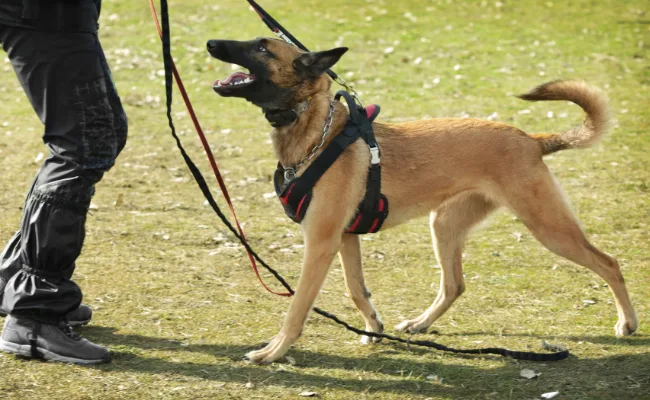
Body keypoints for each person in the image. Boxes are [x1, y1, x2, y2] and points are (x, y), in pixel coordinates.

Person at [0, 0, 127, 364]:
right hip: (43, 11)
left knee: (100, 136)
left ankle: (13, 281)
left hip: (55, 13)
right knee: (85, 143)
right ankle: (36, 313)